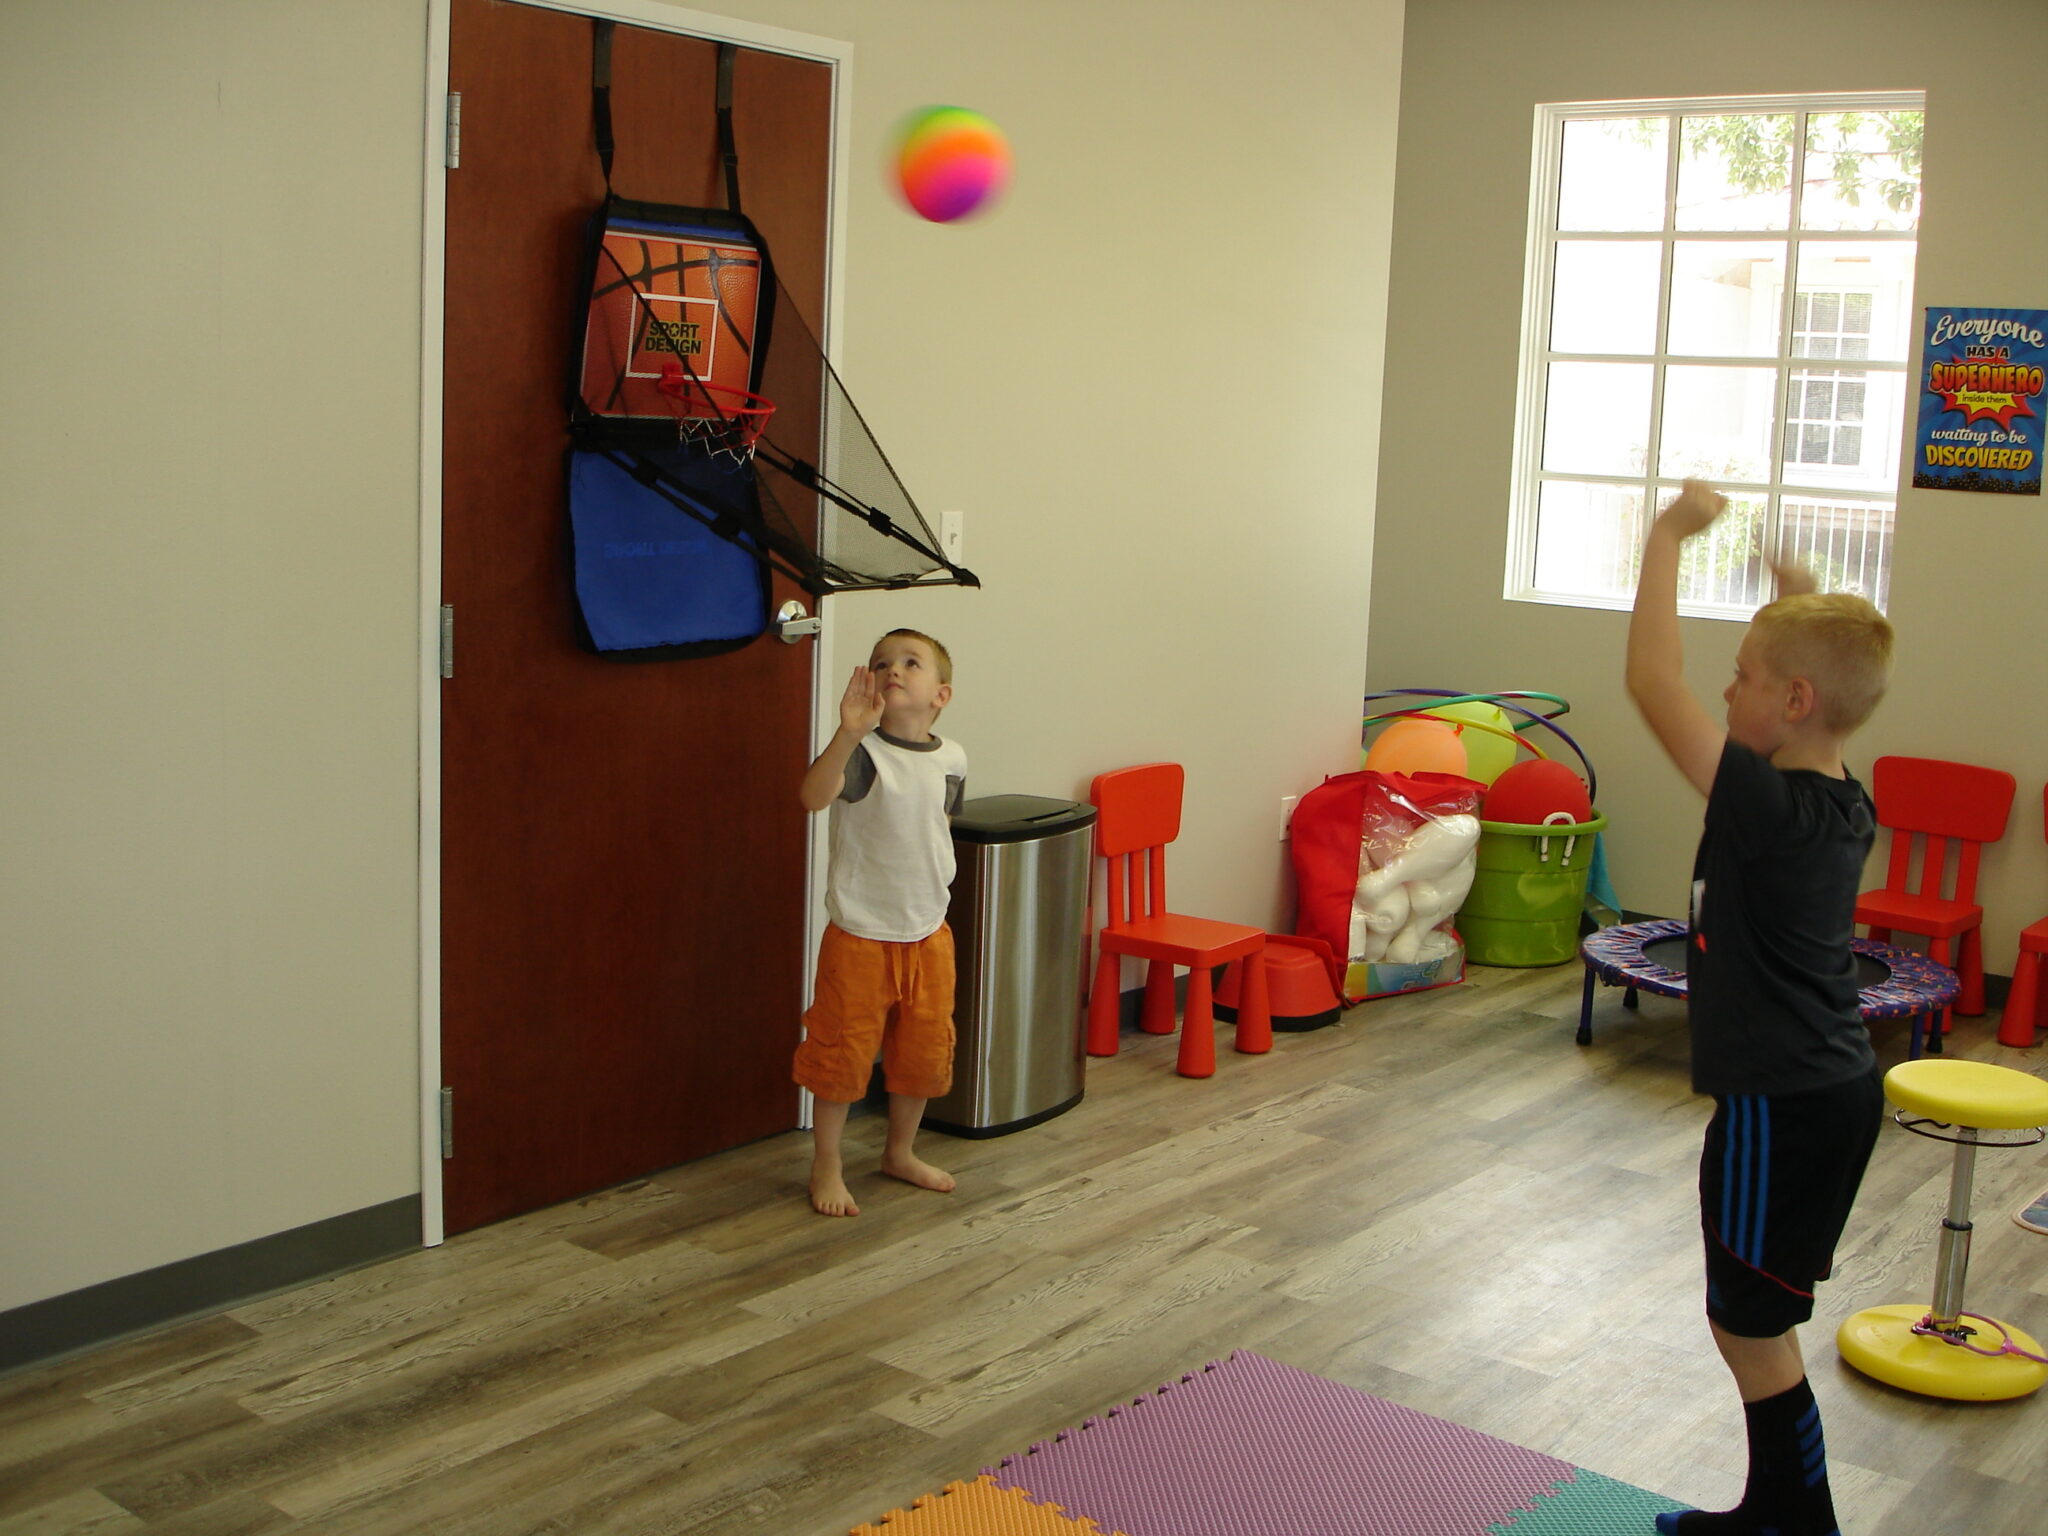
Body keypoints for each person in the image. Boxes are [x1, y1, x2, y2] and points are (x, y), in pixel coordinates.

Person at [1625, 481, 1894, 1536]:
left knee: (1747, 1325)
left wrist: (1664, 538)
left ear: (1789, 704)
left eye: (1740, 681)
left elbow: (1650, 682)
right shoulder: (1833, 791)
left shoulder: (1764, 803)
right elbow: (1815, 683)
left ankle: (1794, 1524)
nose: (1722, 695)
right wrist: (1794, 595)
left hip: (1777, 1105)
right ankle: (1778, 1513)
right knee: (1759, 1318)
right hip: (1826, 1092)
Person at [794, 628, 967, 1217]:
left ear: (939, 694)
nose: (894, 670)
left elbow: (941, 823)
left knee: (921, 1052)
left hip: (928, 933)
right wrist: (848, 733)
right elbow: (813, 797)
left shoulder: (953, 756)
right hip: (862, 937)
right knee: (841, 1057)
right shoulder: (865, 755)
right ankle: (828, 1163)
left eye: (910, 663)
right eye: (882, 663)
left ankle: (900, 1151)